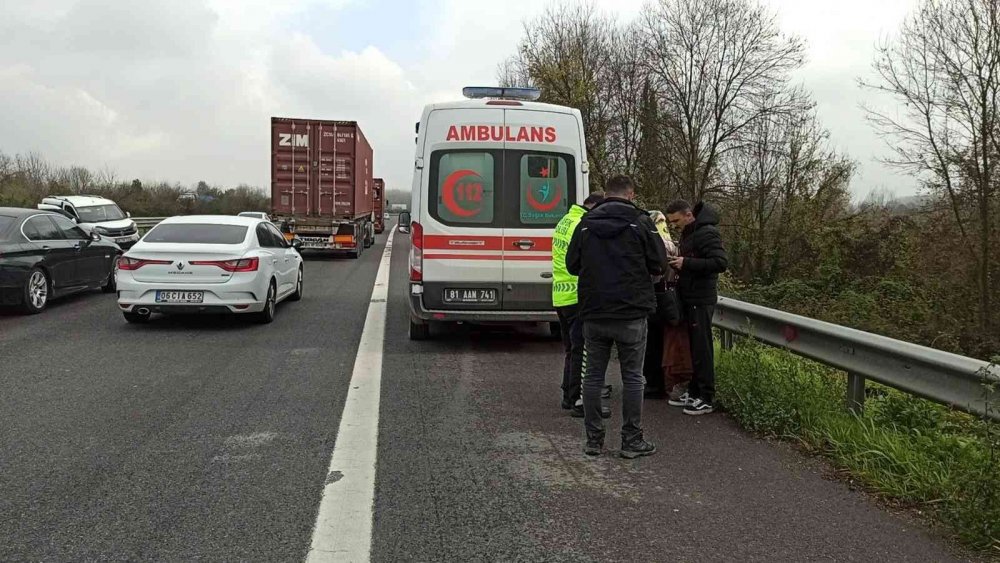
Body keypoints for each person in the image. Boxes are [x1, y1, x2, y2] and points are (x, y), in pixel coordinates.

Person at [567, 175, 667, 458]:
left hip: (595, 311)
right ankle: (631, 440)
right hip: (631, 313)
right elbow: (659, 263)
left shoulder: (586, 223)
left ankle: (594, 440)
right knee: (634, 377)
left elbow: (572, 265)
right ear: (631, 194)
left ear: (606, 194)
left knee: (593, 377)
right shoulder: (641, 222)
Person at [665, 200, 728, 416]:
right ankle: (694, 391)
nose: (674, 225)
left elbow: (720, 263)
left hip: (701, 299)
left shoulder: (707, 233)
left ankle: (706, 397)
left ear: (688, 215)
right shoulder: (689, 233)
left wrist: (686, 264)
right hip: (688, 296)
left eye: (676, 221)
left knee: (702, 348)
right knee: (693, 349)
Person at [551, 191, 610, 419]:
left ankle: (568, 395)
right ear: (594, 207)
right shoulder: (584, 224)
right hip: (577, 294)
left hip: (561, 295)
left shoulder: (566, 220)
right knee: (581, 350)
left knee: (571, 349)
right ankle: (578, 399)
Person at [645, 211, 693, 402]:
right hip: (671, 297)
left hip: (657, 296)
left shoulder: (655, 243)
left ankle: (656, 383)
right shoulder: (672, 243)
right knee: (668, 341)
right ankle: (666, 381)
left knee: (654, 342)